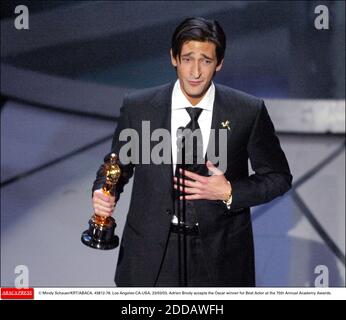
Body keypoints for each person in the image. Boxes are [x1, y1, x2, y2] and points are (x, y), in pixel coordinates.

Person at [91, 17, 292, 287]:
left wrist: (230, 191)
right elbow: (117, 166)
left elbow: (279, 177)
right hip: (151, 254)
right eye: (187, 59)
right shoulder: (139, 107)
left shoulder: (247, 111)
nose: (195, 72)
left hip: (220, 257)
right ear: (173, 58)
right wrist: (104, 191)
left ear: (219, 63)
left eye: (206, 61)